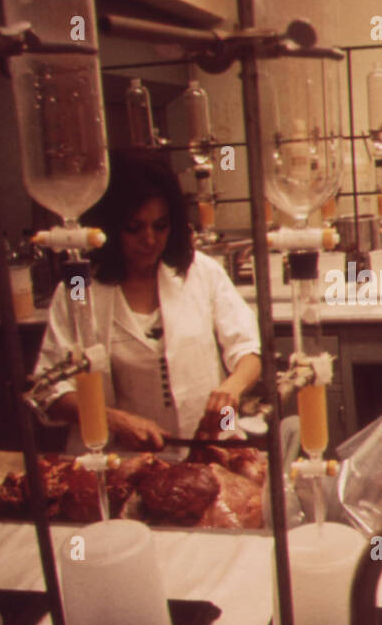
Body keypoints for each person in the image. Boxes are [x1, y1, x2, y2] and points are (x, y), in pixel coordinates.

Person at [33, 150, 261, 454]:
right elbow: (48, 393)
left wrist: (231, 389)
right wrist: (114, 420)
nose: (150, 239)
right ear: (110, 228)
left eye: (161, 225)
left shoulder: (200, 271)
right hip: (119, 461)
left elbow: (248, 351)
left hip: (209, 447)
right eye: (134, 227)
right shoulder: (79, 288)